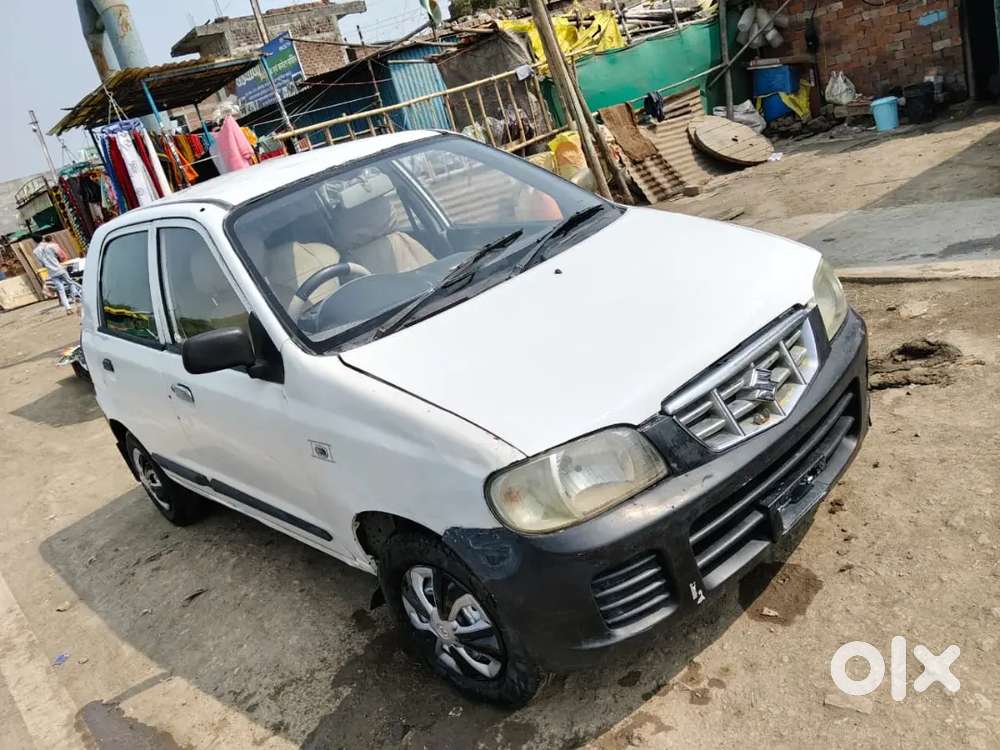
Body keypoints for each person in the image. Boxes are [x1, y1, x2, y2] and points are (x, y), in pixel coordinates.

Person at [33, 234, 82, 315]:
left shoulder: (35, 251)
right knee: (71, 283)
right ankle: (76, 296)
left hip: (51, 272)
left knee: (60, 290)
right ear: (42, 238)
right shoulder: (52, 246)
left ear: (34, 241)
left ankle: (68, 309)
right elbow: (61, 256)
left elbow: (42, 263)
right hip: (59, 269)